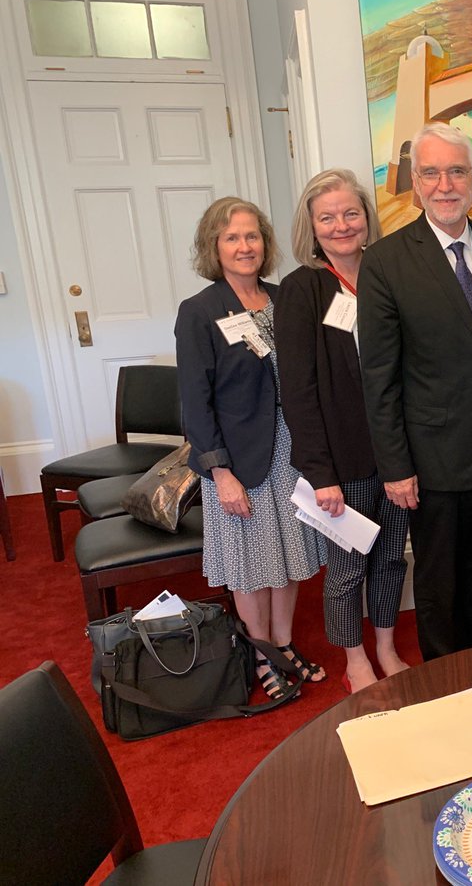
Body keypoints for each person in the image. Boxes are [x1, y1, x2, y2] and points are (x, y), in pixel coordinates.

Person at [358, 123, 472, 662]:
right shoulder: (386, 261)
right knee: (438, 583)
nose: (445, 185)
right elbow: (379, 375)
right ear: (415, 182)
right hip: (431, 459)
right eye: (431, 173)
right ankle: (448, 685)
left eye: (456, 172)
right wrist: (395, 466)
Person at [176, 197, 327, 699]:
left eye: (252, 236)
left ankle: (284, 644)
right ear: (214, 247)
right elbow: (195, 403)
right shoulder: (200, 312)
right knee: (252, 563)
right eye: (232, 237)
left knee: (290, 553)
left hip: (293, 450)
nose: (245, 246)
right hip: (239, 458)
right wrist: (220, 472)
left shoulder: (286, 298)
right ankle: (261, 652)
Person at [275, 168, 412, 693]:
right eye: (327, 217)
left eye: (351, 213)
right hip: (341, 462)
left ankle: (386, 647)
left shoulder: (387, 275)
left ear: (366, 218)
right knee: (348, 568)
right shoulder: (302, 288)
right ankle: (355, 659)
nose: (342, 225)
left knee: (391, 560)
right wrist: (320, 473)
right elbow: (298, 391)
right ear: (311, 227)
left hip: (395, 455)